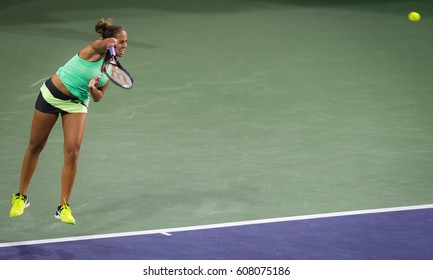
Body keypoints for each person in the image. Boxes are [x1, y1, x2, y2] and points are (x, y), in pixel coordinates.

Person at [9, 18, 128, 225]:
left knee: (73, 152)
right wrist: (107, 44)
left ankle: (63, 206)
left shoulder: (112, 67)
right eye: (121, 42)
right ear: (110, 40)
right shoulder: (93, 49)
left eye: (126, 43)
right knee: (36, 146)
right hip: (51, 96)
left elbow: (99, 97)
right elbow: (100, 44)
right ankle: (21, 196)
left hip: (77, 104)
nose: (124, 46)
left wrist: (93, 90)